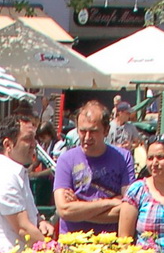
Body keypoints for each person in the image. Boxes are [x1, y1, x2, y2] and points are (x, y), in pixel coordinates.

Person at [0, 112, 53, 253]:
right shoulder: (3, 176)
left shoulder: (17, 173)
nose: (34, 144)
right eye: (27, 139)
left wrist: (40, 221)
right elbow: (23, 228)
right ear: (8, 145)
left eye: (34, 138)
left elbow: (29, 215)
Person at [53, 100, 134, 235]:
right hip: (73, 245)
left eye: (93, 131)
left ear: (106, 130)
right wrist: (110, 202)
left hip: (110, 245)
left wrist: (79, 208)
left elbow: (128, 208)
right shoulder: (66, 160)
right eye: (82, 131)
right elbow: (64, 210)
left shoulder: (123, 158)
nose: (87, 137)